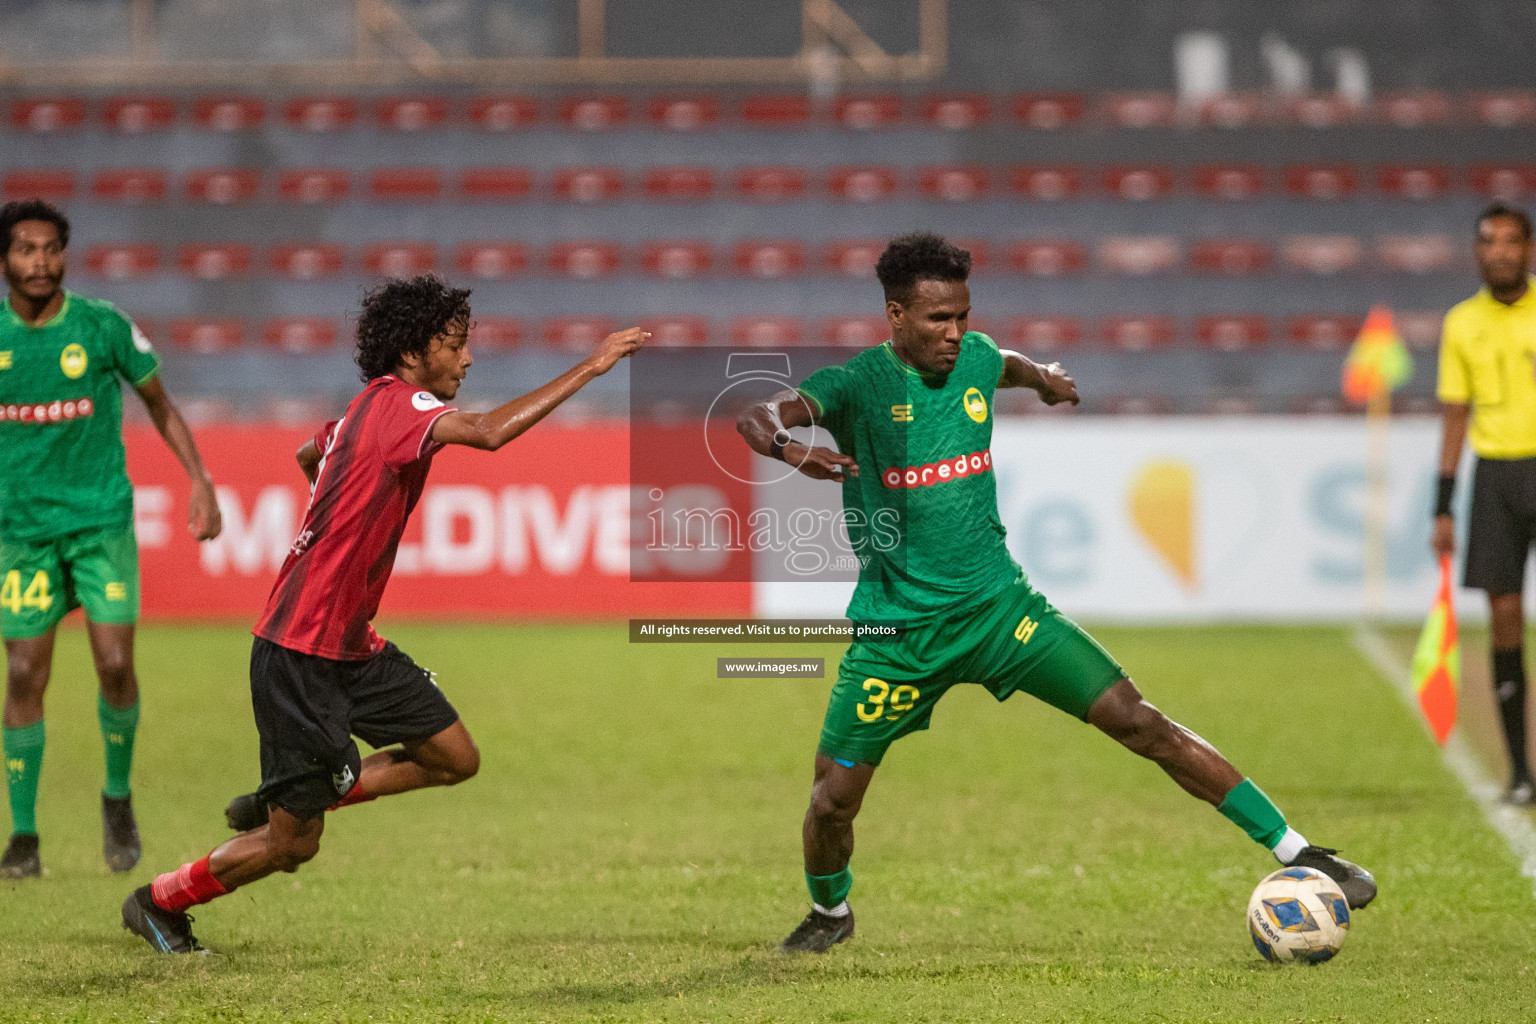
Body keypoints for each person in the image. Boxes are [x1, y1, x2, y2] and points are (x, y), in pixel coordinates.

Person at [736, 231, 1377, 953]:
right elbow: (754, 416)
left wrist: (1044, 378)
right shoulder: (858, 384)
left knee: (1141, 721)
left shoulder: (975, 359)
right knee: (832, 804)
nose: (954, 335)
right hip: (898, 637)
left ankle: (1300, 851)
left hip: (1001, 612)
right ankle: (831, 915)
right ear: (894, 315)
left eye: (962, 317)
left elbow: (1005, 365)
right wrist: (795, 450)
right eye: (937, 320)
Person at [121, 275, 646, 952]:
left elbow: (310, 453)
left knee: (453, 756)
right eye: (455, 345)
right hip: (300, 652)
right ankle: (160, 900)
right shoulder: (402, 405)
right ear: (414, 350)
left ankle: (313, 786)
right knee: (292, 847)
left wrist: (337, 509)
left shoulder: (364, 410)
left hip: (350, 645)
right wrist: (593, 365)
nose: (468, 359)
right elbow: (486, 433)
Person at [0, 199, 222, 879]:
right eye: (27, 250)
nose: (42, 262)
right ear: (6, 259)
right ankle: (25, 838)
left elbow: (159, 402)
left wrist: (200, 479)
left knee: (115, 665)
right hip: (23, 536)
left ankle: (117, 798)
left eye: (52, 248)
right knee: (22, 674)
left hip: (99, 526)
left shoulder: (101, 326)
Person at [1433, 202, 1536, 805]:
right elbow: (1455, 415)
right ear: (1477, 252)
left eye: (1511, 241)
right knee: (1502, 617)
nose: (1500, 251)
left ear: (1528, 249)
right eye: (1489, 242)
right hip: (1495, 477)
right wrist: (1441, 505)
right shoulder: (1461, 323)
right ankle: (1520, 772)